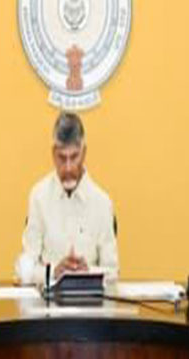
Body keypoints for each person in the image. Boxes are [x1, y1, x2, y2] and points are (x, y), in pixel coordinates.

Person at [15, 112, 118, 285]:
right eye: (62, 158)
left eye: (74, 157)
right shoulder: (38, 197)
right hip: (47, 307)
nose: (68, 168)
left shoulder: (102, 202)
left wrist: (88, 273)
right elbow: (26, 269)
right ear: (53, 154)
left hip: (91, 308)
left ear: (84, 153)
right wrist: (53, 272)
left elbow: (112, 272)